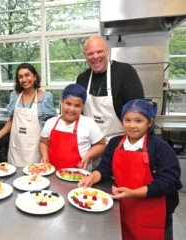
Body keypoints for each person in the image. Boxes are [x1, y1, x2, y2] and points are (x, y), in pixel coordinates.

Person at [78, 99, 182, 240]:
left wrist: (133, 193)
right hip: (121, 208)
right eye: (127, 120)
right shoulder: (115, 143)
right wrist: (92, 177)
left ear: (149, 123)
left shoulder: (161, 148)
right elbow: (104, 168)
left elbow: (170, 182)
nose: (132, 126)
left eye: (138, 121)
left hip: (152, 213)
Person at [76, 35, 144, 141]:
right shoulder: (82, 79)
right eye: (90, 53)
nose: (95, 56)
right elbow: (78, 111)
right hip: (90, 142)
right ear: (85, 56)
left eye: (99, 51)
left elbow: (138, 110)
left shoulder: (125, 72)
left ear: (107, 51)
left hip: (119, 142)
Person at [0, 63, 57, 167]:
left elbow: (51, 124)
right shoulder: (14, 96)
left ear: (34, 77)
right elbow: (11, 121)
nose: (24, 79)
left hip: (36, 148)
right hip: (16, 148)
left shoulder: (45, 97)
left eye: (27, 75)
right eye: (20, 77)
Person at [39, 84, 106, 170]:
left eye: (77, 106)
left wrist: (88, 156)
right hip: (52, 172)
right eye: (68, 104)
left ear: (83, 106)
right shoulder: (51, 122)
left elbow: (101, 145)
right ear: (61, 102)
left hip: (79, 175)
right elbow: (43, 142)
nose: (71, 109)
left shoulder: (89, 124)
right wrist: (45, 155)